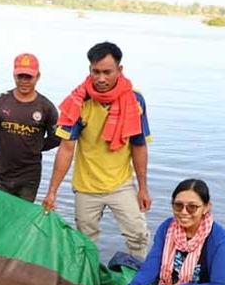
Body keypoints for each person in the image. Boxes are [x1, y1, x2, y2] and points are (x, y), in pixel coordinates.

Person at [42, 41, 152, 259]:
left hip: (121, 184)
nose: (101, 78)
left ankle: (139, 283)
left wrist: (143, 187)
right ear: (89, 70)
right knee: (85, 241)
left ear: (119, 70)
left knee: (138, 235)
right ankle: (89, 280)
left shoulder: (134, 100)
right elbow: (66, 149)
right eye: (96, 72)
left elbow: (139, 145)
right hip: (86, 186)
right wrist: (52, 191)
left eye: (107, 72)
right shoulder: (78, 101)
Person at [101, 179, 225, 285]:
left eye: (192, 207)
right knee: (128, 273)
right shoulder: (168, 227)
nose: (183, 212)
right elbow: (149, 269)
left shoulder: (218, 238)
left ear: (206, 208)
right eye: (178, 205)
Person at [0, 53, 60, 202]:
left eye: (28, 77)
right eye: (20, 76)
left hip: (29, 178)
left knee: (21, 222)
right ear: (14, 75)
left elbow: (57, 138)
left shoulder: (46, 107)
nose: (24, 81)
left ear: (38, 77)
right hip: (1, 176)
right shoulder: (0, 102)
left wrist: (36, 146)